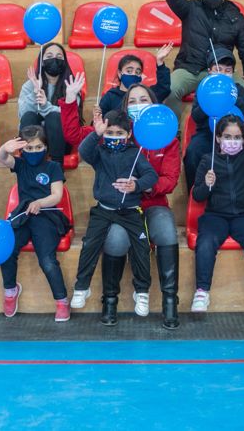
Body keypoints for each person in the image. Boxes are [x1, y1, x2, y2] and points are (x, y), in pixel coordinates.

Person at [63, 77, 182, 329]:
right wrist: (71, 100)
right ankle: (110, 301)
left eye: (144, 100)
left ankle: (170, 302)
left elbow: (169, 180)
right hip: (122, 208)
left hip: (153, 202)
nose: (139, 104)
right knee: (115, 239)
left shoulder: (168, 138)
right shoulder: (116, 131)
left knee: (166, 232)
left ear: (154, 103)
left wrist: (142, 184)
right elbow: (76, 137)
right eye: (133, 101)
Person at [73, 110, 159, 326]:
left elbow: (152, 176)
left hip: (131, 211)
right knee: (90, 244)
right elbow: (83, 150)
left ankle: (142, 292)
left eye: (119, 133)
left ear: (129, 134)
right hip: (103, 209)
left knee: (141, 248)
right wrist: (96, 133)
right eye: (109, 132)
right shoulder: (99, 151)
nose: (113, 136)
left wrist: (136, 184)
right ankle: (82, 286)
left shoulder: (136, 154)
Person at [191, 113, 244, 313]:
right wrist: (207, 184)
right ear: (219, 138)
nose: (232, 141)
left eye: (237, 137)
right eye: (228, 137)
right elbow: (197, 195)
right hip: (215, 216)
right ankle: (202, 292)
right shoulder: (208, 160)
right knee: (205, 242)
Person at [162, 0, 244, 111]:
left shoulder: (236, 16)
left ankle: (236, 133)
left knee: (241, 90)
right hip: (189, 69)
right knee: (170, 89)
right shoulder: (191, 8)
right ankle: (174, 134)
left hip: (222, 71)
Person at [0, 126, 70, 323]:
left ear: (46, 147)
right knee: (7, 250)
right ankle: (11, 291)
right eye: (28, 149)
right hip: (23, 216)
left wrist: (40, 203)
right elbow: (2, 157)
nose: (33, 152)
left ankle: (62, 300)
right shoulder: (20, 164)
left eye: (38, 147)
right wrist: (5, 147)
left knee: (46, 259)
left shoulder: (53, 167)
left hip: (46, 216)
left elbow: (57, 195)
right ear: (22, 149)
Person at [182, 46, 244, 190]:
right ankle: (195, 192)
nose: (222, 73)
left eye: (227, 70)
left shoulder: (238, 89)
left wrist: (233, 97)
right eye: (218, 69)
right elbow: (196, 117)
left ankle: (243, 195)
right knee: (193, 152)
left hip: (233, 136)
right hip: (207, 134)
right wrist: (210, 101)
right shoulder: (203, 88)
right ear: (210, 71)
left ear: (232, 73)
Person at [18, 42, 79, 164]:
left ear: (65, 61)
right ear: (42, 61)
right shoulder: (30, 84)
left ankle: (57, 168)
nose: (54, 60)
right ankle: (27, 164)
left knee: (54, 117)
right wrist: (35, 92)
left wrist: (46, 106)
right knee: (29, 115)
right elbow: (22, 116)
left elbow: (70, 117)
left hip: (61, 142)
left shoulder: (71, 86)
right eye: (49, 56)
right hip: (35, 143)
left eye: (59, 57)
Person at [98, 45, 173, 114]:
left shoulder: (147, 93)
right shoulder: (110, 96)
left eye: (137, 72)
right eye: (129, 71)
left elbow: (164, 88)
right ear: (120, 73)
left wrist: (160, 63)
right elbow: (99, 122)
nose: (134, 74)